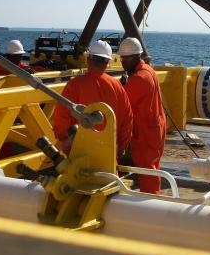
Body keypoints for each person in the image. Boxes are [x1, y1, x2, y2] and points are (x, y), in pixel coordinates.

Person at [53, 40, 133, 156]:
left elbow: (61, 115)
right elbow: (128, 118)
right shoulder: (117, 86)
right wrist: (120, 147)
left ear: (88, 59)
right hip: (109, 152)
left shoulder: (74, 85)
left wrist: (64, 139)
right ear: (107, 62)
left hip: (80, 152)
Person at [118, 37, 166, 194]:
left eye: (125, 59)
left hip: (147, 131)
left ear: (135, 57)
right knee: (152, 167)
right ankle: (151, 200)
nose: (122, 62)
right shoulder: (147, 71)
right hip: (153, 126)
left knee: (148, 170)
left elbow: (123, 102)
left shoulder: (140, 78)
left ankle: (150, 202)